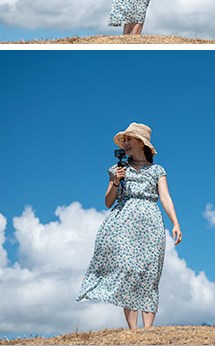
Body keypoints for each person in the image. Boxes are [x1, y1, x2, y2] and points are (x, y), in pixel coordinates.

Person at [77, 123, 182, 329]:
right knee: (129, 271)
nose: (125, 144)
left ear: (142, 143)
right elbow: (108, 201)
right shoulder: (118, 169)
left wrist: (175, 223)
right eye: (124, 140)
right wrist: (115, 181)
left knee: (151, 273)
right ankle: (133, 333)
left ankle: (147, 331)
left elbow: (165, 197)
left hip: (151, 223)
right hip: (124, 223)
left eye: (129, 139)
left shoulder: (157, 170)